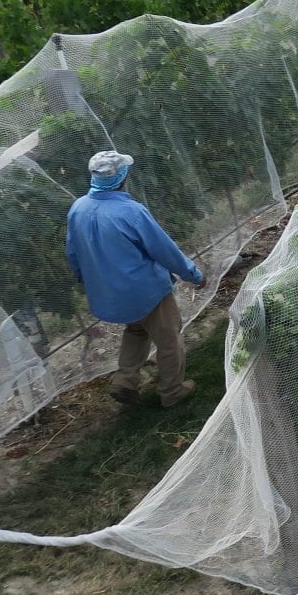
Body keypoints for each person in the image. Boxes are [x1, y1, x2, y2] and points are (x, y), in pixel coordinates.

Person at [66, 150, 205, 408]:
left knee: (137, 329)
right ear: (121, 178)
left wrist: (89, 281)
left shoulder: (78, 209)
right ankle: (172, 392)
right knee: (169, 338)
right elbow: (163, 249)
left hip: (111, 293)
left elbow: (73, 253)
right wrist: (193, 274)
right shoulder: (130, 211)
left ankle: (125, 381)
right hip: (145, 291)